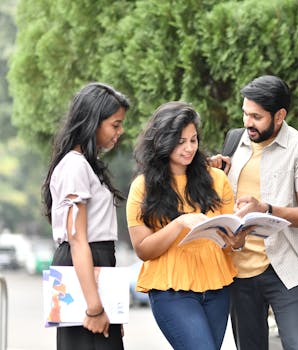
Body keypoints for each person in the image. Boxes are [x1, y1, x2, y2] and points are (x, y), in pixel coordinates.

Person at [212, 75, 298, 350]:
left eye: (256, 116)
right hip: (238, 269)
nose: (248, 122)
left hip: (284, 267)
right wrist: (214, 175)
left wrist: (266, 209)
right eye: (245, 114)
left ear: (280, 115)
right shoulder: (234, 142)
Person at [125, 101, 246, 350]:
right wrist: (180, 223)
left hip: (217, 289)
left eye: (193, 140)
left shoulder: (217, 179)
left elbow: (228, 240)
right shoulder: (143, 186)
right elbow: (143, 249)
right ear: (162, 140)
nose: (189, 148)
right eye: (180, 141)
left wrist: (236, 242)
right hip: (171, 292)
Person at [42, 82, 130, 350]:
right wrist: (93, 307)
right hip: (84, 266)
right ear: (94, 122)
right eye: (115, 125)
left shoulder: (87, 166)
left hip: (95, 266)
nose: (120, 132)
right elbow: (78, 239)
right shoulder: (74, 166)